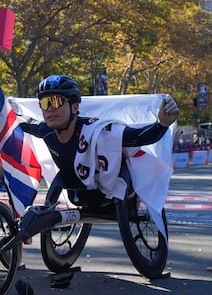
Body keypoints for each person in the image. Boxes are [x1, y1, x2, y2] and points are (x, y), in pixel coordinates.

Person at [15, 74, 179, 238]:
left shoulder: (98, 131)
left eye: (56, 101)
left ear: (74, 106)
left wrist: (162, 124)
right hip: (76, 190)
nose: (50, 108)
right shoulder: (46, 131)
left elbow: (138, 137)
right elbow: (20, 121)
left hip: (108, 190)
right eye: (45, 103)